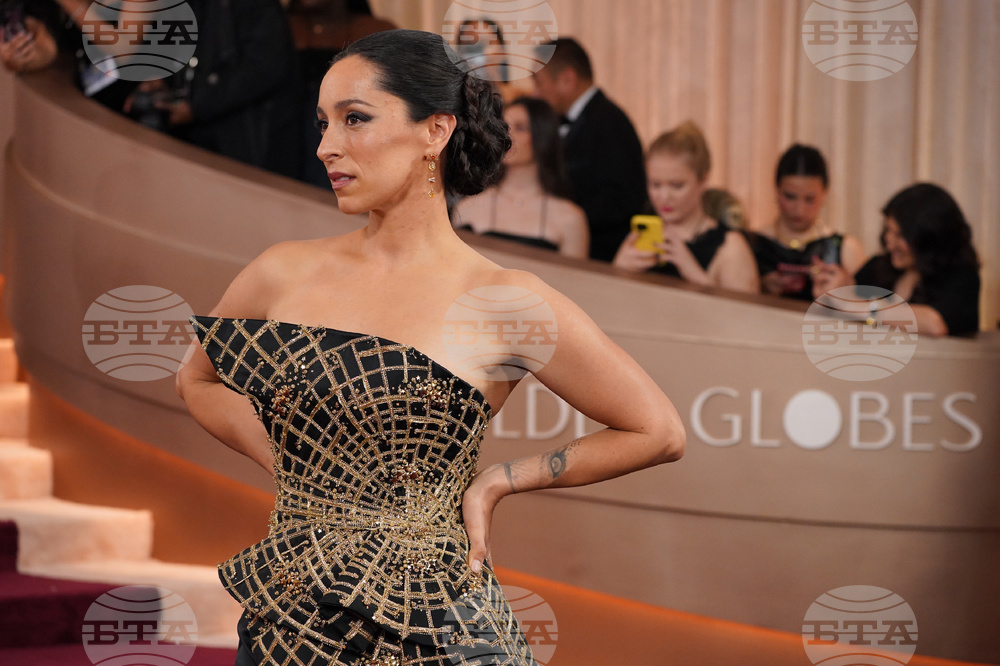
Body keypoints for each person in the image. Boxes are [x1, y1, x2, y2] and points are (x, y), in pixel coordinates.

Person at [176, 29, 685, 665]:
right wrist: (292, 468)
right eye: (324, 122)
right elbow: (196, 379)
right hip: (291, 620)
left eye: (355, 118)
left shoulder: (505, 299)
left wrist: (498, 481)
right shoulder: (281, 272)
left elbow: (657, 430)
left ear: (435, 133)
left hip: (438, 628)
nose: (326, 146)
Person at [812, 182, 981, 337]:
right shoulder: (878, 267)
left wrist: (854, 305)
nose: (890, 243)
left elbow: (934, 324)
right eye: (888, 231)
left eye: (900, 235)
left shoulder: (962, 276)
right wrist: (832, 292)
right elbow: (842, 312)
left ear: (930, 237)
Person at [531, 37, 646, 262]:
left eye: (538, 82)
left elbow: (624, 199)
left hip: (601, 258)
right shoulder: (565, 121)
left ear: (567, 79)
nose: (535, 93)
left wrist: (563, 217)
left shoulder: (611, 122)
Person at [612, 121, 760, 294]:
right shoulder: (639, 236)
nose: (664, 197)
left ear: (703, 180)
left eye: (676, 185)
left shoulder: (730, 247)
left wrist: (695, 274)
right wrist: (619, 268)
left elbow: (746, 316)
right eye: (655, 185)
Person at [452, 96, 589, 258]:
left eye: (521, 128)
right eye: (503, 127)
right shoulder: (468, 207)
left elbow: (575, 282)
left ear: (542, 137)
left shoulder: (570, 218)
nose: (507, 136)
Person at [745, 144, 865, 300]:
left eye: (809, 199)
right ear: (776, 190)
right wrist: (757, 287)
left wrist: (847, 291)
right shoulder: (752, 244)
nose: (799, 209)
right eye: (790, 197)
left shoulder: (844, 248)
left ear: (824, 194)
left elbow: (868, 314)